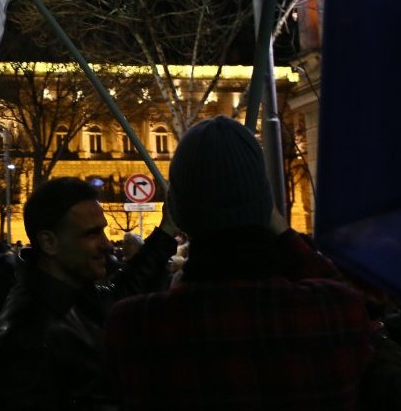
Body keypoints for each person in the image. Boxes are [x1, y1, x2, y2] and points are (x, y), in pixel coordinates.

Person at [104, 116, 374, 410]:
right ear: (265, 207)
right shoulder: (331, 311)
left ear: (177, 213)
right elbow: (357, 304)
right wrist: (283, 231)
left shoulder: (136, 327)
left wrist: (163, 235)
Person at [0, 177, 178, 410]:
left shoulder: (74, 295)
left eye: (103, 231)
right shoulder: (26, 334)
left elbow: (121, 290)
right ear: (49, 242)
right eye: (92, 234)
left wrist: (166, 230)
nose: (106, 244)